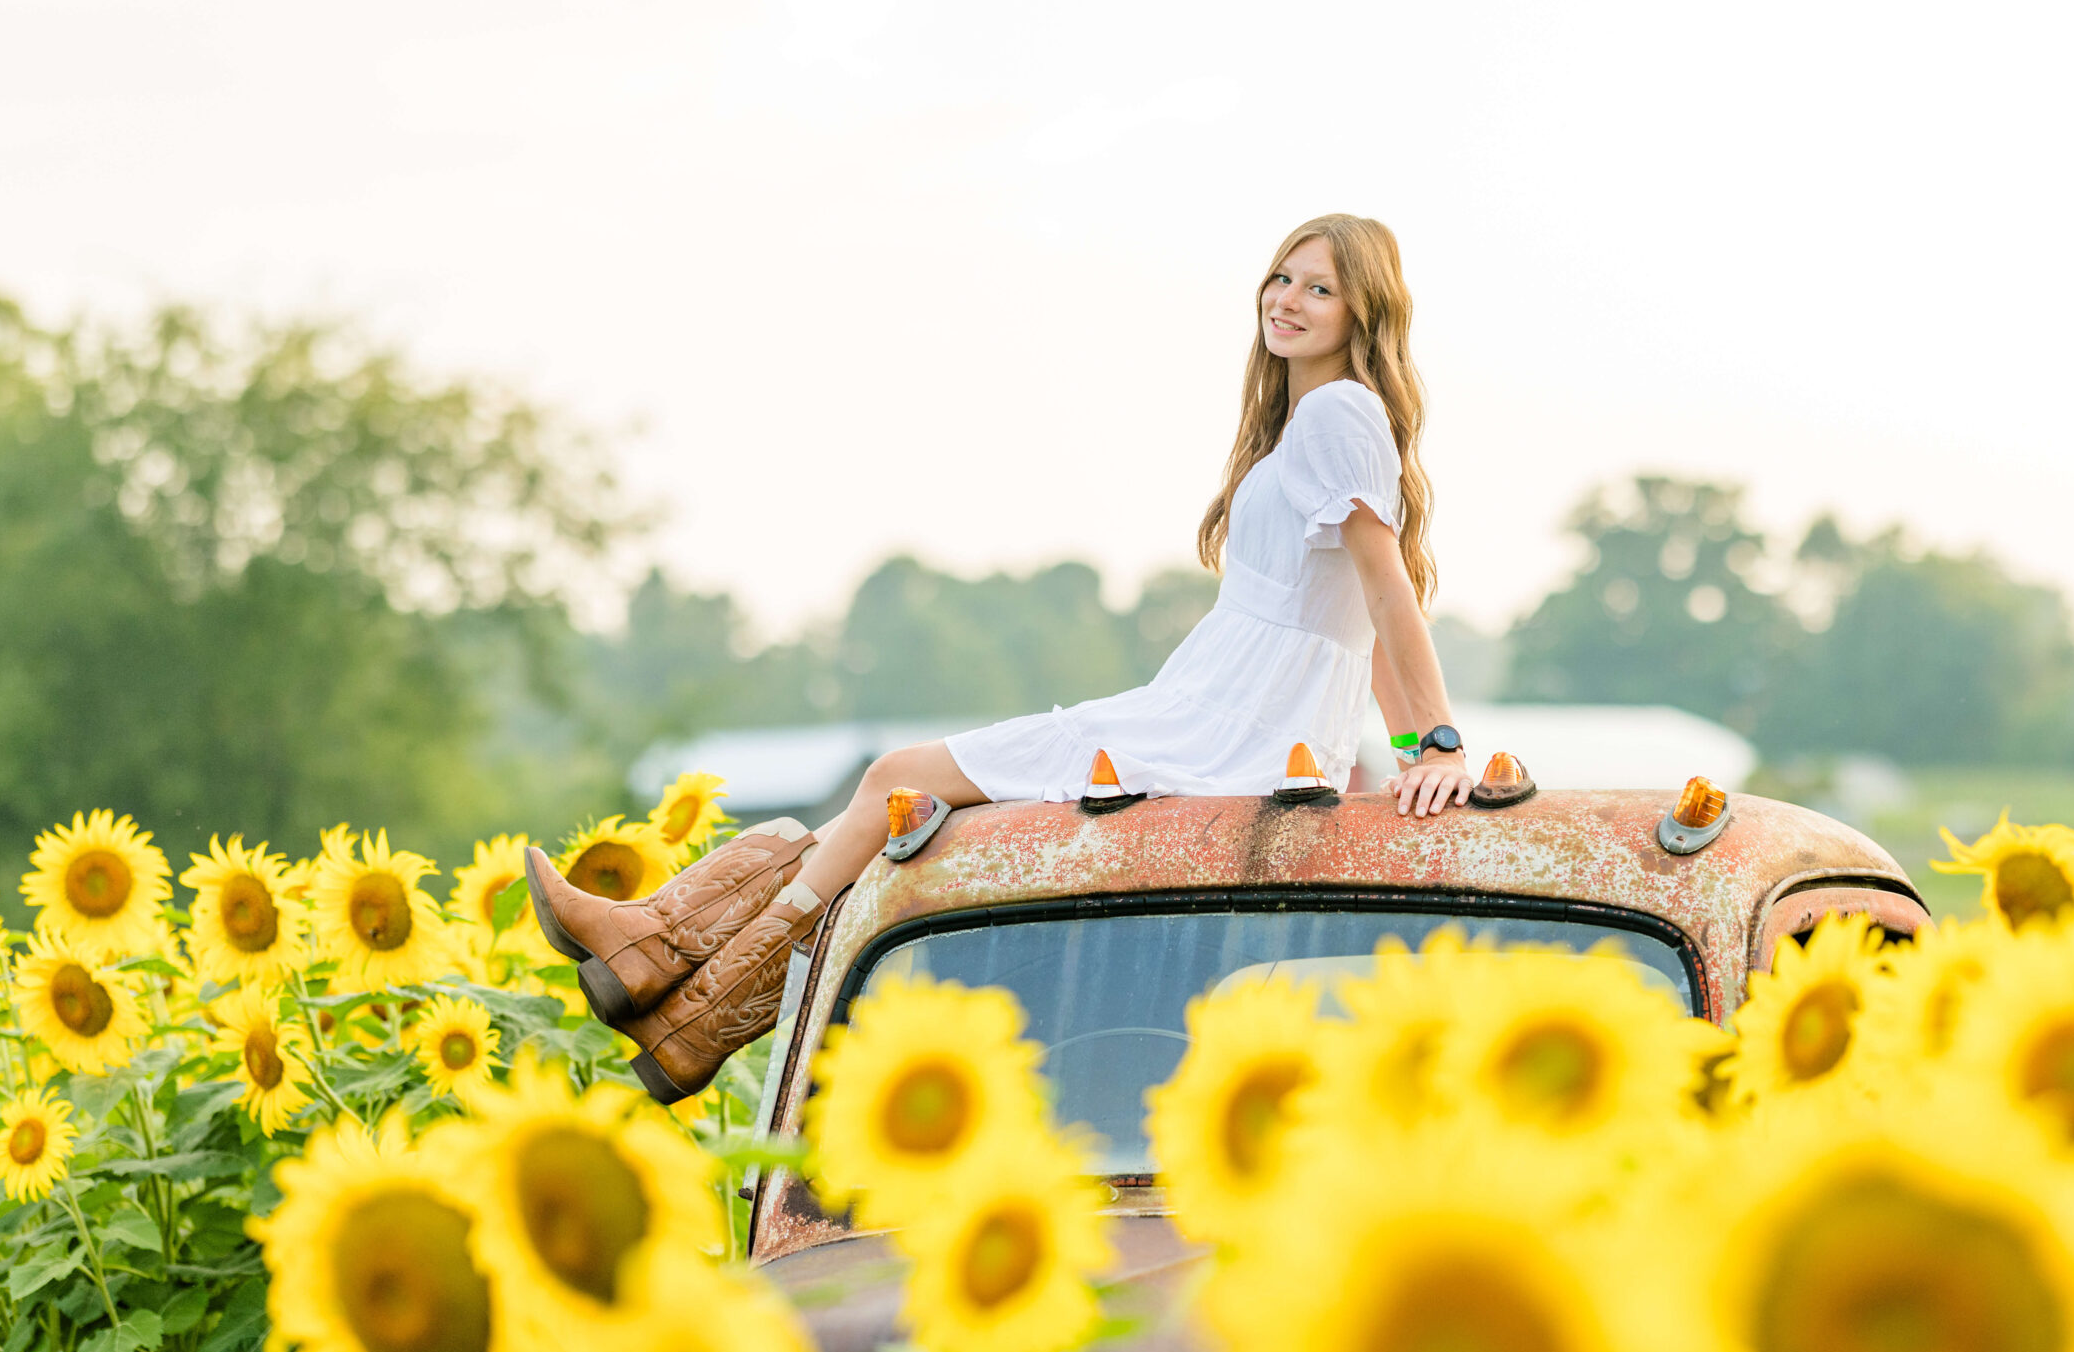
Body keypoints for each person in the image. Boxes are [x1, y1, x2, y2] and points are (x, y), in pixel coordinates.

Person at [526, 213, 1476, 1102]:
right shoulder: (1314, 424)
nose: (1287, 298)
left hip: (1223, 725)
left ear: (1364, 313)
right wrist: (1400, 745)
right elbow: (1363, 622)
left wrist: (1433, 743)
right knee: (907, 797)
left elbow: (1386, 588)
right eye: (1280, 277)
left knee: (898, 775)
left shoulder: (1339, 415)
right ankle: (669, 977)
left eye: (1319, 288)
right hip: (1224, 712)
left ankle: (670, 968)